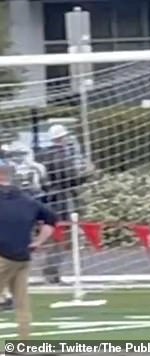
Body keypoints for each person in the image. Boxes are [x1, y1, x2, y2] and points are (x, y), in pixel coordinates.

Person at [0, 159, 58, 338]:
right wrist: (38, 242)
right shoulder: (27, 201)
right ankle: (23, 344)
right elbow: (51, 219)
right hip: (23, 257)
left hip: (2, 257)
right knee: (22, 303)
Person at [40, 124, 87, 284]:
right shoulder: (59, 155)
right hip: (62, 200)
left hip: (54, 199)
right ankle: (51, 270)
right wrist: (86, 175)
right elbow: (69, 179)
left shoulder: (46, 155)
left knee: (60, 237)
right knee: (61, 236)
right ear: (60, 138)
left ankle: (52, 270)